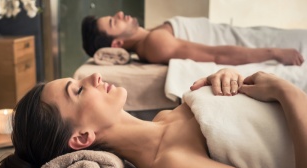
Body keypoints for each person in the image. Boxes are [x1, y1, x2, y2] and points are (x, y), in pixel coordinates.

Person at [0, 67, 307, 168]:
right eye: (79, 91)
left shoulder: (165, 118)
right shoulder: (170, 164)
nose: (94, 77)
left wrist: (230, 80)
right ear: (82, 138)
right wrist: (286, 91)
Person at [81, 11, 305, 66]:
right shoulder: (154, 44)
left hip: (254, 36)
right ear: (117, 44)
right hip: (264, 46)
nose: (120, 14)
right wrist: (274, 53)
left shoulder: (151, 35)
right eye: (114, 22)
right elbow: (215, 54)